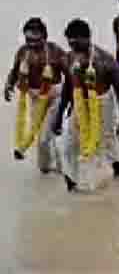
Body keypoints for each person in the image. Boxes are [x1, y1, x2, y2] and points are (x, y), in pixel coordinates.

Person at [53, 19, 119, 192]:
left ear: (88, 38)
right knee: (68, 145)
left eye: (76, 41)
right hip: (78, 105)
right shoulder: (68, 59)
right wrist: (59, 116)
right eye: (70, 41)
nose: (72, 45)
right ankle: (72, 182)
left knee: (104, 143)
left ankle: (115, 172)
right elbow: (67, 88)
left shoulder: (106, 60)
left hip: (102, 104)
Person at [4, 18, 68, 172]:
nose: (31, 43)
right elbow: (14, 71)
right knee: (40, 136)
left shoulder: (55, 51)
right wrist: (8, 85)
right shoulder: (22, 52)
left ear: (44, 36)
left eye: (35, 39)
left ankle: (63, 166)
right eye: (28, 39)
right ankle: (45, 168)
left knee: (47, 134)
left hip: (54, 96)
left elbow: (70, 73)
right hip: (34, 98)